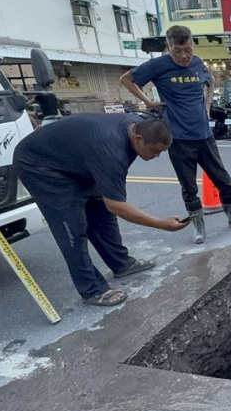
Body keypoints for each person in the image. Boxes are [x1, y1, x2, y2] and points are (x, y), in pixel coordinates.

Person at [13, 114, 188, 306]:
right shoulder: (112, 151)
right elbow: (116, 205)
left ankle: (121, 263)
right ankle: (92, 290)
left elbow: (108, 203)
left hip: (77, 161)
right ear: (138, 139)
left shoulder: (138, 126)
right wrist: (160, 224)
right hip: (40, 166)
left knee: (101, 212)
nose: (157, 156)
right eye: (155, 151)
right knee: (72, 227)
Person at [120, 25, 231, 245]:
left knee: (223, 178)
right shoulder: (158, 65)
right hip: (178, 137)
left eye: (188, 50)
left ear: (192, 45)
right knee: (189, 186)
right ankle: (198, 226)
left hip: (204, 134)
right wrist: (148, 102)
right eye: (178, 51)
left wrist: (208, 104)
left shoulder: (198, 62)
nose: (184, 55)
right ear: (169, 47)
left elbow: (209, 80)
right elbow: (126, 79)